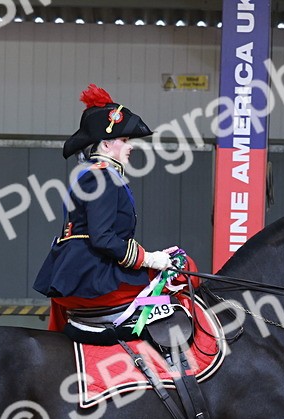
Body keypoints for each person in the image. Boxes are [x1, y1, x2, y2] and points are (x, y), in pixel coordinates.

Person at [33, 84, 179, 331]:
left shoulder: (92, 174)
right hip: (93, 277)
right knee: (181, 275)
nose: (130, 146)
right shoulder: (103, 177)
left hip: (82, 271)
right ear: (105, 145)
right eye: (123, 139)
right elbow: (101, 238)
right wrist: (149, 259)